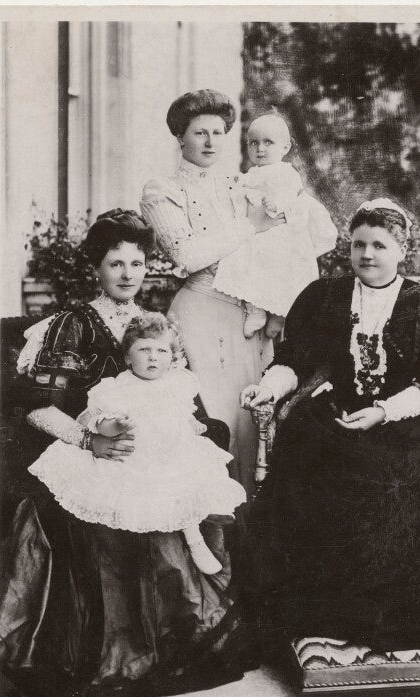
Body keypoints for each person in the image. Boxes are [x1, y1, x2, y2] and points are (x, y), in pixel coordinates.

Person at [0, 209, 252, 697]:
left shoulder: (153, 324)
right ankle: (112, 653)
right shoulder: (73, 323)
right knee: (84, 521)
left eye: (137, 263)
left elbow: (179, 395)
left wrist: (193, 431)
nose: (128, 274)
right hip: (87, 445)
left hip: (153, 453)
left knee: (198, 488)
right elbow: (36, 406)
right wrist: (88, 440)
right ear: (97, 267)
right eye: (116, 263)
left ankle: (179, 643)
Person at [241, 198, 420, 655]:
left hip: (407, 418)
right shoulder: (325, 296)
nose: (367, 255)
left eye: (379, 245)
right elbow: (295, 359)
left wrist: (385, 411)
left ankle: (388, 620)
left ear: (402, 250)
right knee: (310, 472)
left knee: (393, 482)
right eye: (359, 244)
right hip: (339, 414)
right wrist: (270, 387)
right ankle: (318, 619)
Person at [140, 89, 283, 495]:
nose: (210, 142)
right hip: (201, 316)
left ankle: (256, 543)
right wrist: (250, 226)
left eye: (218, 133)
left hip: (251, 321)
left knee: (257, 424)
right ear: (180, 138)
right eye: (199, 132)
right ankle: (217, 541)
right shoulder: (162, 190)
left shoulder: (240, 186)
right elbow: (187, 255)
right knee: (217, 426)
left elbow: (278, 243)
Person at [28, 312, 246, 576]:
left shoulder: (178, 384)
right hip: (135, 452)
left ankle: (196, 538)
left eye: (161, 350)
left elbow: (183, 415)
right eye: (144, 349)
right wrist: (117, 425)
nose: (153, 356)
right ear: (128, 358)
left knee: (190, 475)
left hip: (171, 450)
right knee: (140, 486)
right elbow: (98, 422)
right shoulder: (116, 388)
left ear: (172, 358)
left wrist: (191, 426)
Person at [213, 113, 337, 339]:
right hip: (257, 231)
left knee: (279, 273)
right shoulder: (251, 173)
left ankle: (279, 316)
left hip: (279, 232)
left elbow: (294, 197)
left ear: (285, 147)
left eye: (268, 142)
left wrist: (277, 203)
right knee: (246, 264)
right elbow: (241, 192)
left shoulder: (285, 172)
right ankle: (256, 310)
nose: (260, 149)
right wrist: (235, 186)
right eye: (253, 143)